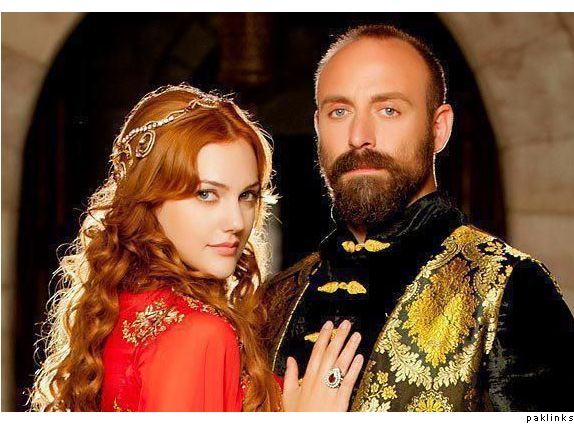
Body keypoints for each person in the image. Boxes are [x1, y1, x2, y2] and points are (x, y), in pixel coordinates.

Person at [262, 25, 574, 412]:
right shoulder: (276, 299)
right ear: (318, 127)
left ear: (439, 129)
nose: (359, 136)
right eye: (339, 112)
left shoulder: (509, 288)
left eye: (388, 110)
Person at [29, 84, 364, 412]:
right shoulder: (201, 334)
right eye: (206, 194)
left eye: (247, 196)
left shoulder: (117, 307)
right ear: (151, 199)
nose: (236, 221)